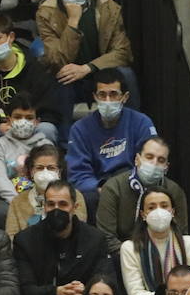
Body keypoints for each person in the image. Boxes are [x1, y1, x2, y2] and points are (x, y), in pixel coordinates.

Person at [14, 179, 115, 295]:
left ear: (74, 206)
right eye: (51, 204)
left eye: (62, 204)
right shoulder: (26, 240)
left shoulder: (95, 238)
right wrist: (57, 292)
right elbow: (26, 289)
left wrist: (86, 292)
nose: (56, 209)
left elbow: (106, 279)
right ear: (44, 206)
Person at [37, 0, 138, 132]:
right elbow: (57, 59)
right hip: (68, 76)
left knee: (126, 74)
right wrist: (73, 21)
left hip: (99, 72)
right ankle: (65, 146)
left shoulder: (109, 9)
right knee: (60, 77)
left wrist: (87, 68)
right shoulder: (46, 12)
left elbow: (123, 52)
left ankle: (133, 132)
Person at [0, 14, 61, 184]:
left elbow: (52, 112)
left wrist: (31, 123)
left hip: (32, 127)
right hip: (1, 131)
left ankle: (48, 184)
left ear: (11, 37)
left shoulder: (35, 69)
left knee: (48, 129)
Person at [67, 69, 157, 221]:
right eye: (102, 95)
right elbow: (77, 174)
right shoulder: (80, 129)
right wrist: (102, 187)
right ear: (95, 97)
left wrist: (128, 184)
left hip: (133, 183)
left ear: (125, 97)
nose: (108, 100)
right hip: (97, 187)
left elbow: (150, 163)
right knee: (85, 199)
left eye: (114, 94)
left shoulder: (142, 123)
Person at [121, 189, 190, 295]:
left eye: (164, 206)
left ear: (172, 212)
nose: (158, 211)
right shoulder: (130, 248)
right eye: (151, 207)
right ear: (143, 215)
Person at [95, 135, 190, 243]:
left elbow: (180, 234)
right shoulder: (113, 187)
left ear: (166, 167)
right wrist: (134, 257)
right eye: (149, 157)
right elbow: (106, 237)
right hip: (122, 255)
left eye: (161, 160)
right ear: (137, 159)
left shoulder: (174, 191)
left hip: (165, 255)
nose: (154, 163)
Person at [0, 93, 46, 231]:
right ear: (9, 120)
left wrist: (34, 202)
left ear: (37, 122)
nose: (23, 122)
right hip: (7, 199)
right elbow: (0, 181)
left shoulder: (45, 145)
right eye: (18, 117)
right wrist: (20, 203)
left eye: (29, 118)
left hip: (39, 197)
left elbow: (50, 179)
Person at [6, 144, 90, 238]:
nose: (45, 172)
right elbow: (11, 236)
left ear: (60, 171)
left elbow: (79, 232)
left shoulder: (75, 196)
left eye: (51, 168)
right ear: (31, 171)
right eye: (39, 168)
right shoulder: (18, 201)